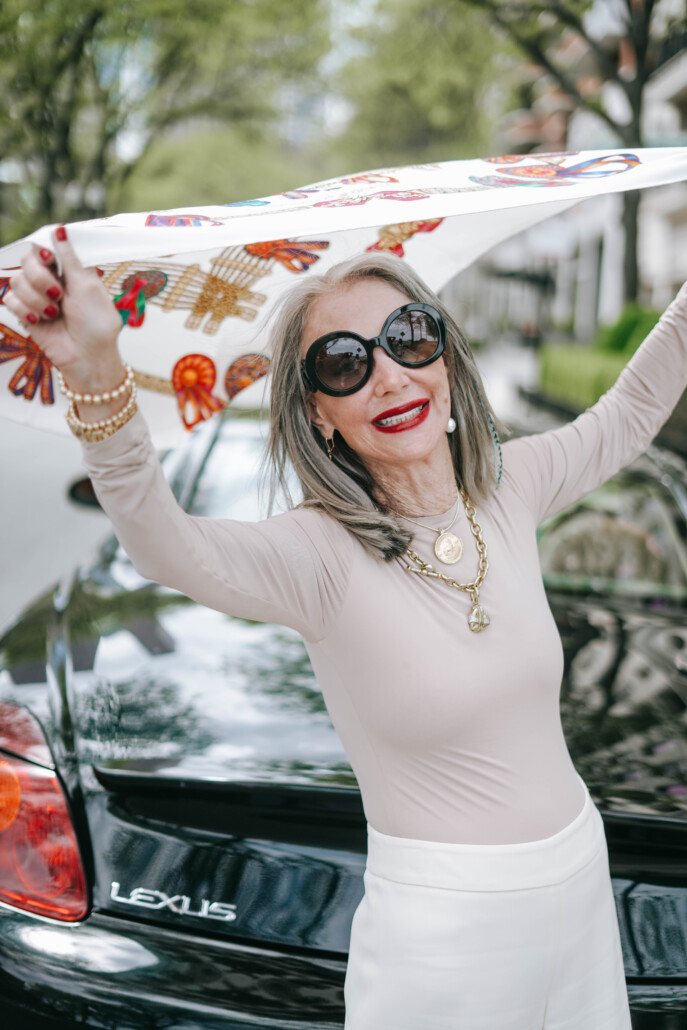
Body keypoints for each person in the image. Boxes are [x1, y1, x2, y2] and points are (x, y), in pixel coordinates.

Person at [8, 227, 687, 1029]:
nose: (389, 378)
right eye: (343, 363)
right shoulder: (317, 555)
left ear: (444, 357)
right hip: (445, 936)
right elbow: (163, 541)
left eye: (407, 338)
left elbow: (636, 407)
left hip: (579, 875)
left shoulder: (510, 487)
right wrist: (93, 367)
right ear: (320, 415)